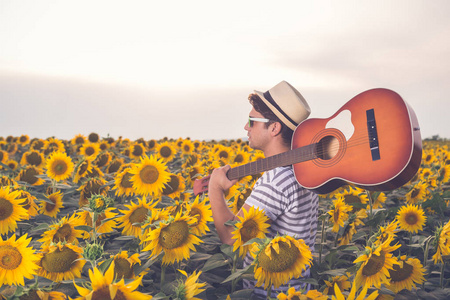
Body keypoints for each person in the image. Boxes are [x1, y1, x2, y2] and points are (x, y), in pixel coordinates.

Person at [208, 81, 319, 299]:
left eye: (252, 121)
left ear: (274, 128)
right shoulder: (305, 169)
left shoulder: (276, 180)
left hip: (270, 293)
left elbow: (231, 237)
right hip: (297, 291)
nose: (246, 127)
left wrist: (214, 188)